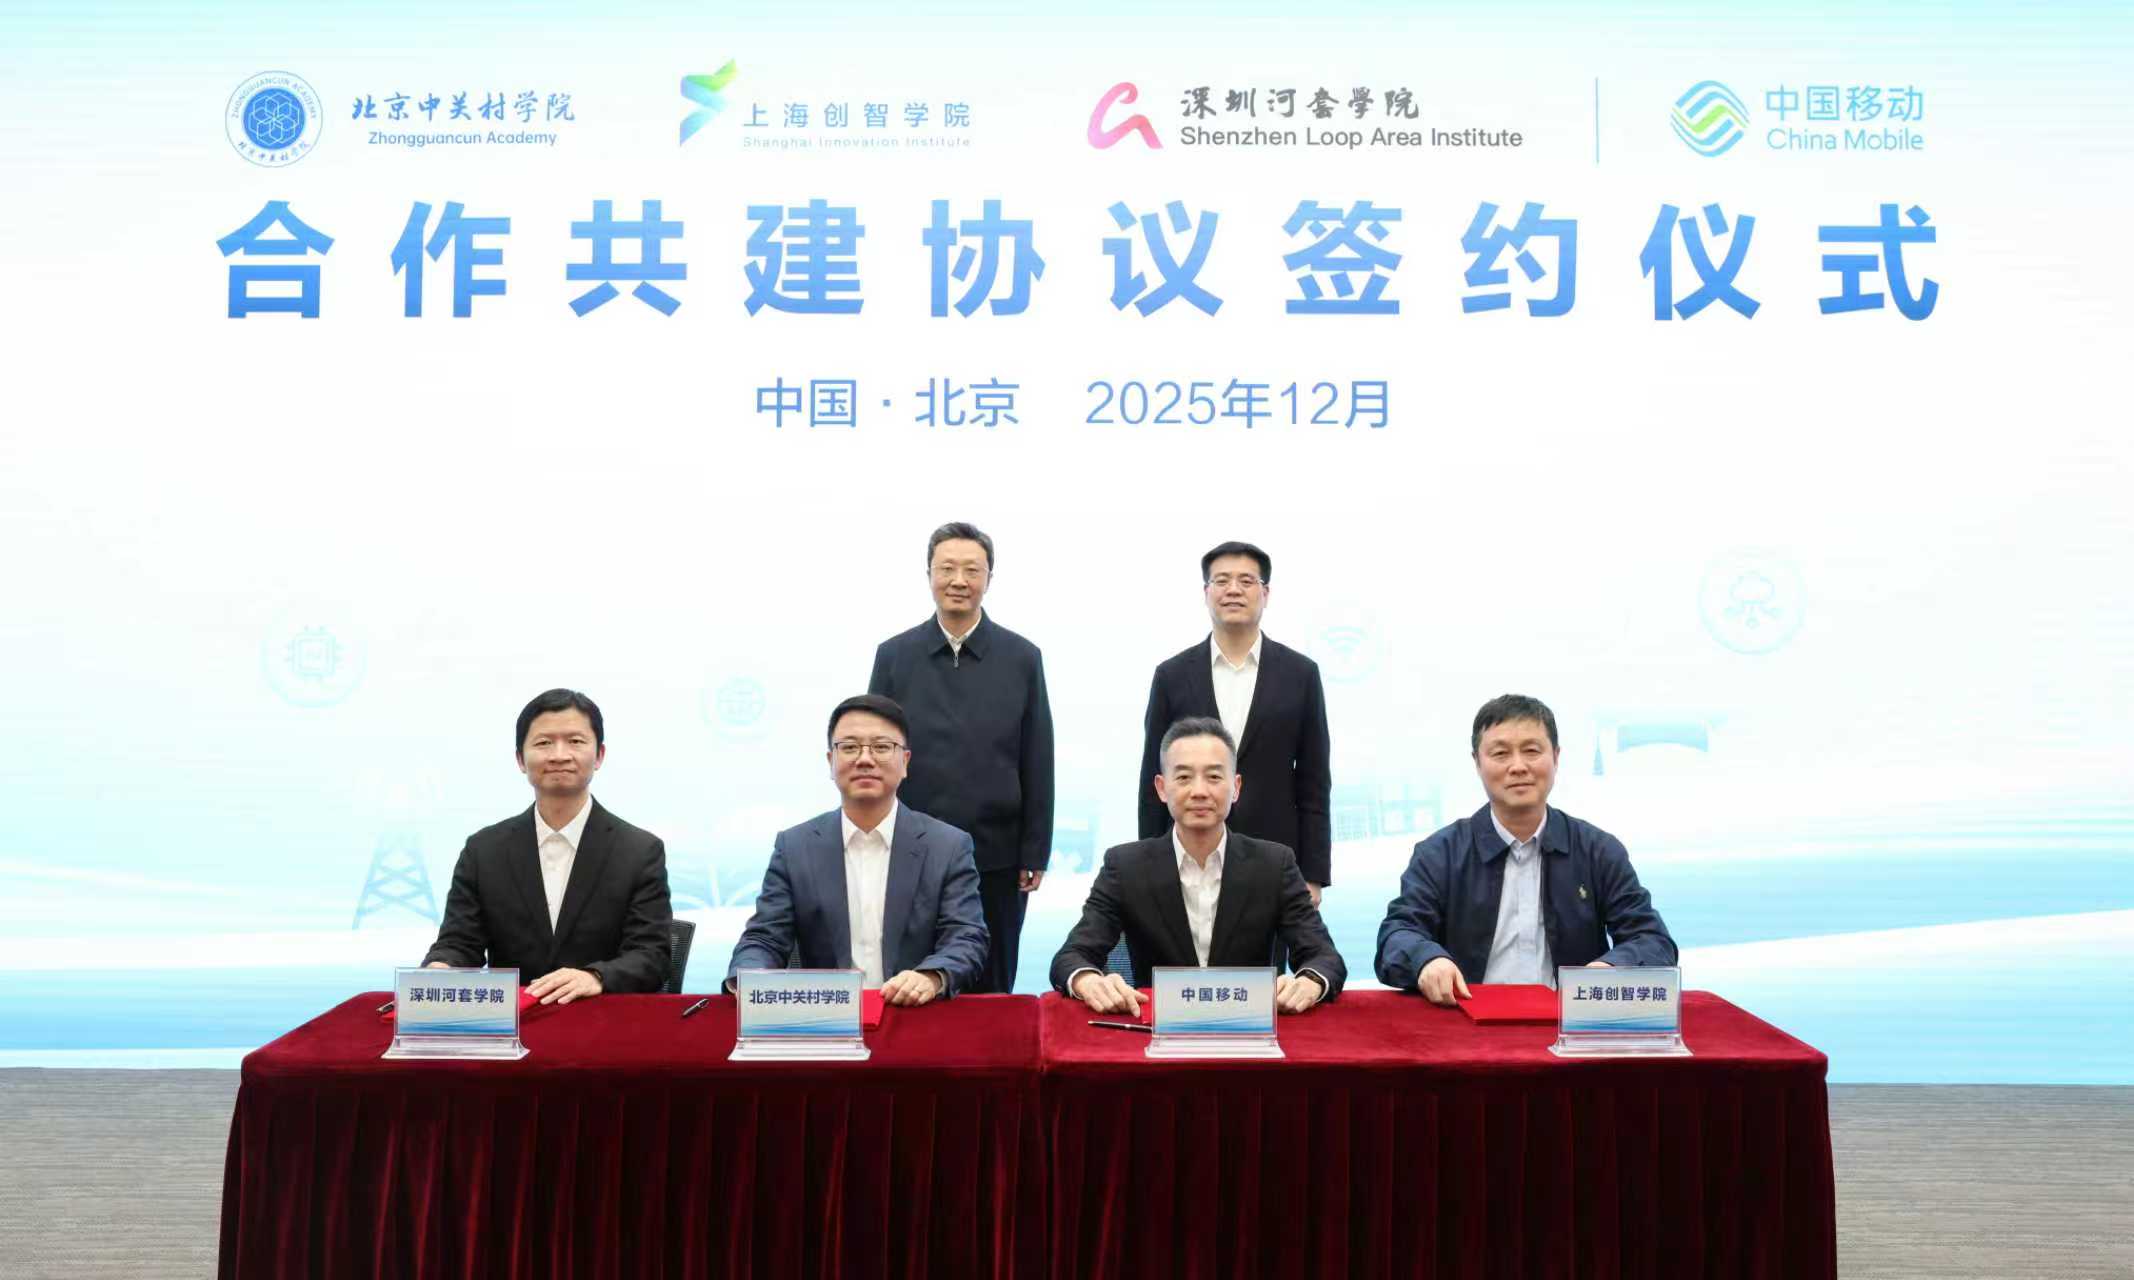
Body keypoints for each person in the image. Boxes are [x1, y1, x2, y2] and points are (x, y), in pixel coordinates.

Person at [1376, 694, 1678, 1006]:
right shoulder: (1440, 854)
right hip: (1466, 1022)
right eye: (1500, 753)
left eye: (1532, 751)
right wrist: (1427, 959)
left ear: (1556, 757)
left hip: (1569, 1022)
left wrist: (1611, 969)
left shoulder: (1598, 851)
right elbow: (1397, 935)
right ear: (1477, 763)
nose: (1518, 767)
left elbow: (1652, 941)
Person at [1053, 717, 1345, 1016]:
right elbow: (1072, 956)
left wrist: (1310, 982)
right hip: (1157, 1030)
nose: (1199, 791)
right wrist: (1088, 980)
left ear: (1236, 787)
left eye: (1214, 777)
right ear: (1161, 788)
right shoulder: (1125, 867)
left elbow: (1325, 958)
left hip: (1245, 1027)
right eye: (1183, 777)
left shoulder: (1274, 865)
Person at [868, 522, 1054, 993]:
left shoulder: (1021, 657)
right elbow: (873, 752)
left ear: (989, 578)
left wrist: (1035, 849)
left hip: (997, 853)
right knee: (910, 983)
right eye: (946, 568)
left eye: (972, 570)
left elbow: (1037, 757)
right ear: (928, 574)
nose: (958, 580)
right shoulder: (894, 656)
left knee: (992, 986)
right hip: (911, 849)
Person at [725, 694, 990, 1004]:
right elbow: (765, 938)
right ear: (831, 761)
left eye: (881, 747)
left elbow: (966, 937)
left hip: (915, 1015)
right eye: (850, 747)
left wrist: (931, 977)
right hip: (827, 1018)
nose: (865, 759)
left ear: (905, 762)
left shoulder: (947, 846)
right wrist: (749, 978)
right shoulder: (795, 847)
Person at [424, 688, 673, 1004]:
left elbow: (651, 955)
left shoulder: (639, 850)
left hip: (601, 1019)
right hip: (514, 1021)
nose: (559, 755)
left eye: (575, 741)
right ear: (520, 759)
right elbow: (460, 943)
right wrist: (440, 968)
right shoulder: (484, 851)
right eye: (543, 743)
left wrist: (595, 976)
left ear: (599, 755)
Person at [1138, 541, 1331, 910]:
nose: (1233, 590)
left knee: (1273, 952)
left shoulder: (1301, 674)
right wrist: (1148, 866)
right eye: (1222, 580)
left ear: (1265, 593)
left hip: (1277, 860)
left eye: (1246, 581)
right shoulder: (1172, 676)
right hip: (1189, 857)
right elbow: (1153, 780)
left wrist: (1313, 873)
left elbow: (1314, 782)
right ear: (1206, 592)